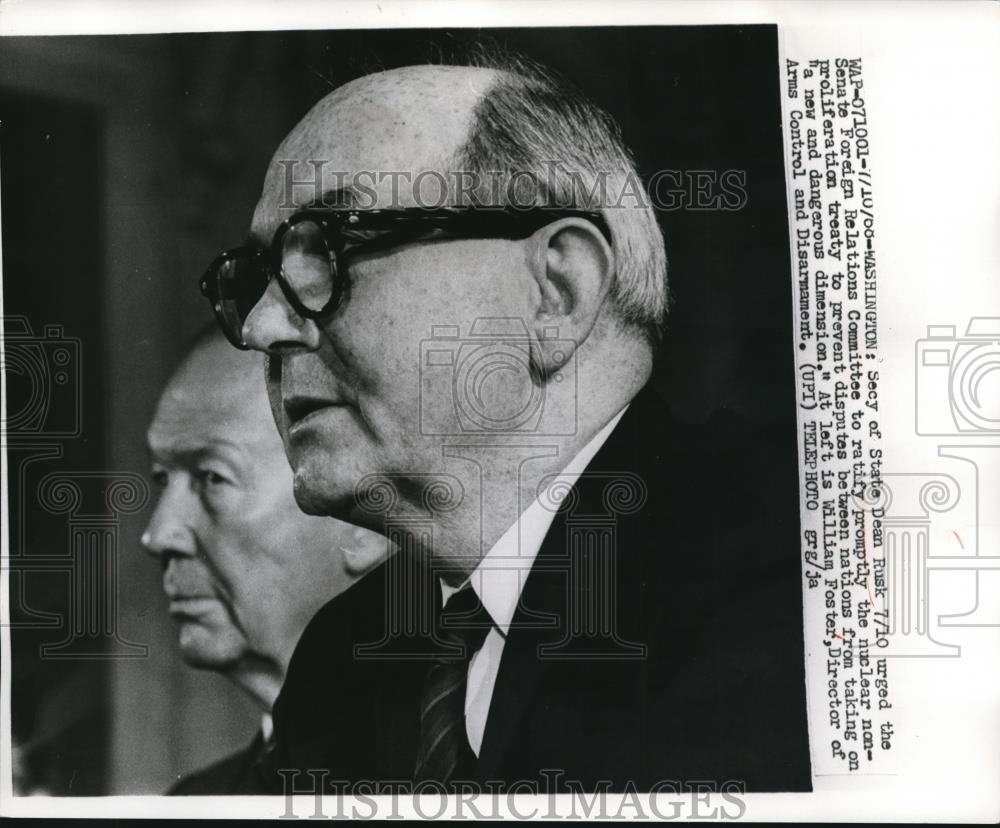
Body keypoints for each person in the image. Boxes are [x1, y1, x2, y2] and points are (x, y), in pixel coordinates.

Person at [199, 53, 811, 791]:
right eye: (258, 280)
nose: (264, 326)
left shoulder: (791, 568)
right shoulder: (347, 654)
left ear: (557, 291)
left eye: (326, 249)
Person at [142, 325, 387, 793]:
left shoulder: (460, 769)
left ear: (363, 519)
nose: (158, 534)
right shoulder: (192, 807)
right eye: (161, 479)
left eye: (212, 476)